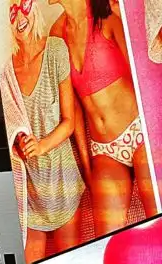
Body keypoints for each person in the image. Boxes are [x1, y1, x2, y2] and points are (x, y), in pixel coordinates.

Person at [52, 0, 158, 232]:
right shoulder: (57, 34)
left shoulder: (108, 18)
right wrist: (88, 166)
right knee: (107, 239)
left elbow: (142, 74)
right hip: (104, 150)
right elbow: (74, 111)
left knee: (157, 218)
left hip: (139, 132)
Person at [1, 0, 91, 261]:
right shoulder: (7, 72)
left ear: (35, 10)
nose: (19, 16)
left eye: (24, 6)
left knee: (71, 262)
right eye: (12, 10)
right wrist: (18, 139)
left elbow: (69, 122)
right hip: (30, 191)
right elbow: (10, 125)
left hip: (63, 181)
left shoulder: (55, 50)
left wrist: (40, 145)